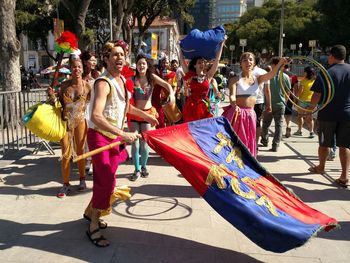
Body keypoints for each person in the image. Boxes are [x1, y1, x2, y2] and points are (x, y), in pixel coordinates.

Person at [83, 41, 158, 247]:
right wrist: (122, 134)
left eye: (122, 54)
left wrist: (146, 116)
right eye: (114, 55)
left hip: (114, 137)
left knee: (105, 180)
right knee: (106, 181)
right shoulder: (102, 83)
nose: (119, 57)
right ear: (106, 59)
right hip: (99, 136)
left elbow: (125, 108)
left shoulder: (123, 80)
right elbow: (96, 116)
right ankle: (93, 226)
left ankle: (90, 213)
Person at [222, 52, 288, 157]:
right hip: (238, 114)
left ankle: (248, 165)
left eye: (250, 60)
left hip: (251, 114)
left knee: (249, 141)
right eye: (245, 60)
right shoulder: (235, 79)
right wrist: (234, 104)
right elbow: (232, 95)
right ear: (240, 63)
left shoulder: (258, 79)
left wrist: (280, 63)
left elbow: (271, 74)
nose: (248, 62)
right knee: (237, 143)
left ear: (254, 63)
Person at [48, 57, 91, 198]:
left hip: (80, 122)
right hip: (65, 122)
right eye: (74, 67)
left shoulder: (87, 86)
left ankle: (82, 179)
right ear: (70, 69)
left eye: (79, 67)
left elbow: (92, 103)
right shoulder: (64, 86)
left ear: (82, 69)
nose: (76, 69)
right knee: (65, 154)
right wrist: (52, 97)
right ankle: (66, 184)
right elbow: (57, 105)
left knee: (80, 152)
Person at [308, 45, 350, 188]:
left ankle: (321, 167)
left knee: (324, 143)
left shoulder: (326, 72)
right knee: (345, 145)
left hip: (328, 114)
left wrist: (309, 110)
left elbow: (316, 95)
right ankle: (344, 176)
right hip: (347, 114)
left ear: (332, 56)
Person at [128, 54, 175, 181]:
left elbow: (167, 85)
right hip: (134, 114)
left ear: (147, 65)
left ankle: (144, 167)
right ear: (136, 66)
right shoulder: (131, 79)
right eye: (139, 64)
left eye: (143, 63)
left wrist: (172, 95)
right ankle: (136, 169)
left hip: (148, 114)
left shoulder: (152, 78)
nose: (141, 66)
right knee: (135, 144)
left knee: (144, 144)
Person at [179, 38, 225, 122]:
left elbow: (217, 60)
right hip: (191, 107)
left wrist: (221, 45)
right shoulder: (190, 76)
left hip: (204, 106)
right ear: (194, 65)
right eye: (199, 62)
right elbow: (182, 61)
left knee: (205, 130)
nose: (202, 64)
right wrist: (179, 48)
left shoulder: (208, 76)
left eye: (203, 62)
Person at [260, 57, 291, 152]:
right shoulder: (285, 77)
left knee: (265, 124)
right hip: (280, 104)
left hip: (268, 104)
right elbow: (288, 91)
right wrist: (284, 102)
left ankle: (265, 140)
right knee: (279, 126)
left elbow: (264, 90)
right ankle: (275, 145)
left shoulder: (268, 75)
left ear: (274, 65)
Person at [81, 51, 99, 175]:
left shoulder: (97, 75)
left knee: (92, 135)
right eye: (91, 60)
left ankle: (92, 161)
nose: (93, 62)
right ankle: (86, 160)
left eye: (94, 60)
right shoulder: (79, 75)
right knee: (83, 137)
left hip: (93, 108)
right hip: (81, 109)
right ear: (85, 61)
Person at [252, 58, 271, 150]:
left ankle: (248, 142)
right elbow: (267, 90)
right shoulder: (263, 72)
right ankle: (255, 144)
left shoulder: (244, 71)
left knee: (247, 123)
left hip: (247, 102)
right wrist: (269, 104)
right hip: (259, 101)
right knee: (257, 123)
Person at [293, 66, 316, 138]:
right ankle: (311, 132)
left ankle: (299, 130)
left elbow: (300, 93)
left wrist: (296, 100)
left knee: (300, 116)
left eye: (304, 71)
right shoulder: (314, 81)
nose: (303, 73)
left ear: (307, 73)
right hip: (312, 101)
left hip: (303, 101)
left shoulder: (303, 81)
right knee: (310, 117)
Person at [283, 64, 299, 138]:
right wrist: (296, 98)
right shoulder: (294, 76)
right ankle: (288, 125)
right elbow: (296, 88)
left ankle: (278, 130)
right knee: (288, 113)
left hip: (280, 95)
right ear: (289, 67)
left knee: (279, 114)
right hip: (290, 96)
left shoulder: (279, 74)